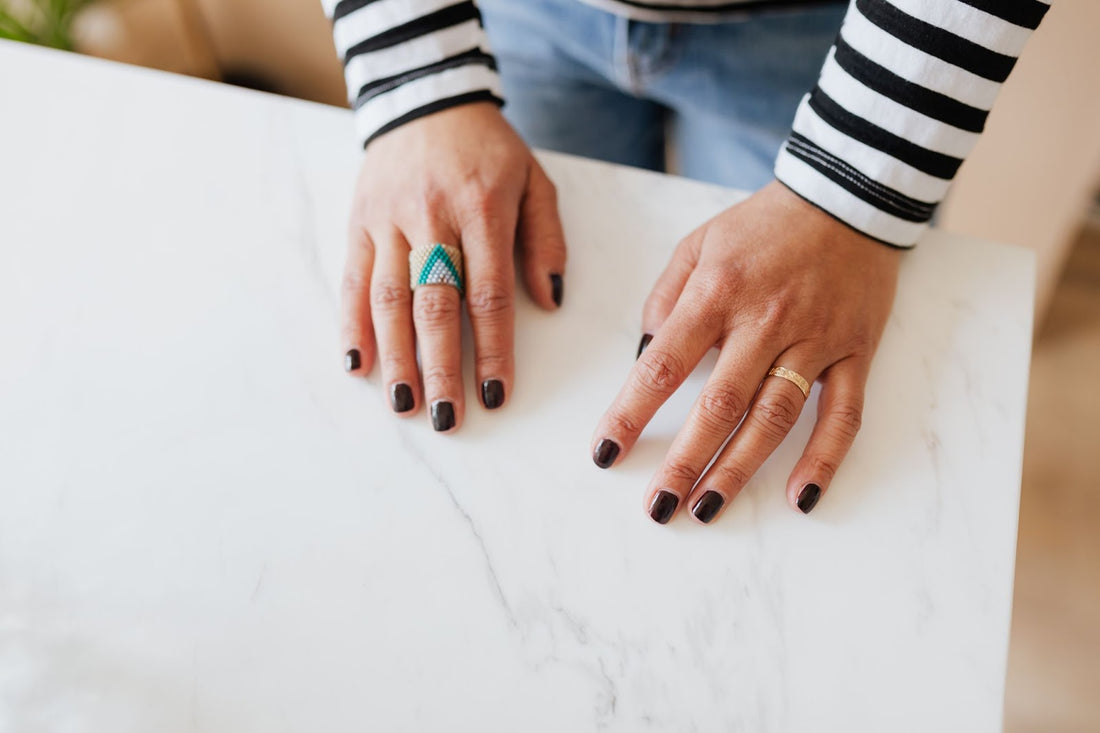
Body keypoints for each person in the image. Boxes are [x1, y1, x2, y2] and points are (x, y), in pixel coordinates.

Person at [323, 0, 1050, 524]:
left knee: (761, 403)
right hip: (512, 19)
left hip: (842, 45)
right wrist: (416, 81)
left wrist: (855, 185)